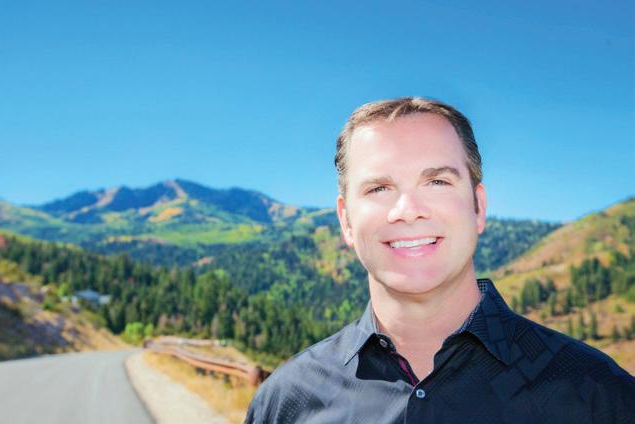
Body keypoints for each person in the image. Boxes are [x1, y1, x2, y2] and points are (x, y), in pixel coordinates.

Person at [244, 97, 635, 423]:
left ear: (478, 206)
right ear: (346, 220)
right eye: (379, 188)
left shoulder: (599, 395)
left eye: (437, 182)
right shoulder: (285, 403)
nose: (408, 209)